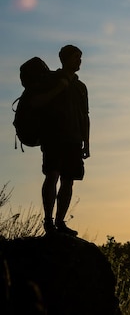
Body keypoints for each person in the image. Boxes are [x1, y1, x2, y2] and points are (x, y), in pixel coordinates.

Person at [37, 45, 90, 236]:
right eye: (76, 57)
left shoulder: (81, 87)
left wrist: (87, 142)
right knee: (52, 175)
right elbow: (38, 103)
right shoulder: (52, 80)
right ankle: (48, 221)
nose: (79, 61)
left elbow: (85, 115)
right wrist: (59, 88)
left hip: (74, 140)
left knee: (68, 180)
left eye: (80, 58)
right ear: (65, 59)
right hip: (53, 137)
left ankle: (60, 222)